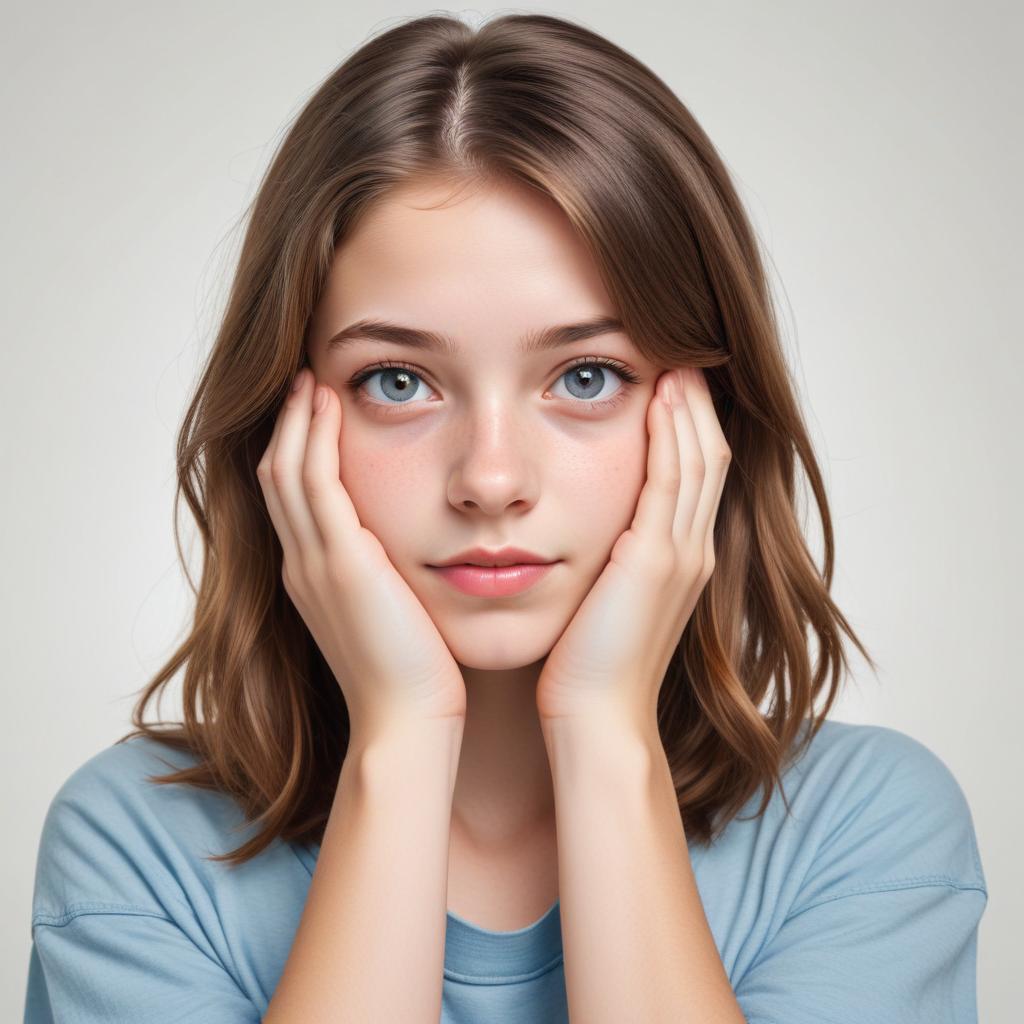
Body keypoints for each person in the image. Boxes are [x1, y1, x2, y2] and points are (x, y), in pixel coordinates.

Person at [24, 12, 987, 1024]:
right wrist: (397, 744)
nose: (490, 478)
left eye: (585, 375)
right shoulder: (133, 846)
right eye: (397, 380)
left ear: (711, 419)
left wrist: (606, 738)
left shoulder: (866, 834)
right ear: (285, 423)